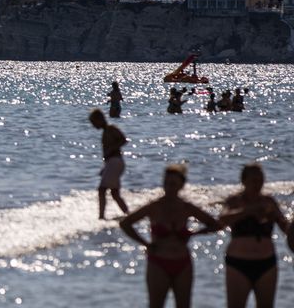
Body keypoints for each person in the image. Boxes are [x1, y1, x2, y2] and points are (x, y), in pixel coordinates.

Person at [119, 164, 220, 308]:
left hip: (183, 263)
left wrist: (194, 233)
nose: (169, 186)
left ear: (181, 185)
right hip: (158, 262)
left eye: (173, 183)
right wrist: (145, 243)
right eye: (166, 183)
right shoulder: (155, 206)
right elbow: (125, 224)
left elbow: (215, 224)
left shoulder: (186, 207)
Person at [219, 163, 291, 308]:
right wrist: (248, 211)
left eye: (260, 179)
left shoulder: (269, 201)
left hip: (266, 264)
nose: (257, 183)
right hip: (238, 263)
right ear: (244, 181)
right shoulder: (234, 201)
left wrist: (279, 217)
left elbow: (285, 228)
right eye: (253, 180)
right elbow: (222, 220)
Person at [90, 109, 130, 219]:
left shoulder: (111, 129)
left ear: (99, 119)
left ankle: (101, 217)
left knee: (102, 190)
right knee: (115, 193)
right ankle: (128, 214)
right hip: (112, 163)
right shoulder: (106, 131)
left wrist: (113, 148)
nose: (93, 126)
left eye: (94, 122)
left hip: (115, 162)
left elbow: (123, 140)